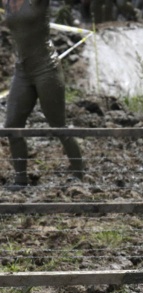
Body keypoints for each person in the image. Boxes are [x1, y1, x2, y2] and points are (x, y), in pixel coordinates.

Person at [3, 0, 85, 190]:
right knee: (12, 126)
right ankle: (20, 180)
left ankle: (79, 175)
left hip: (46, 68)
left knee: (58, 125)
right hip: (22, 71)